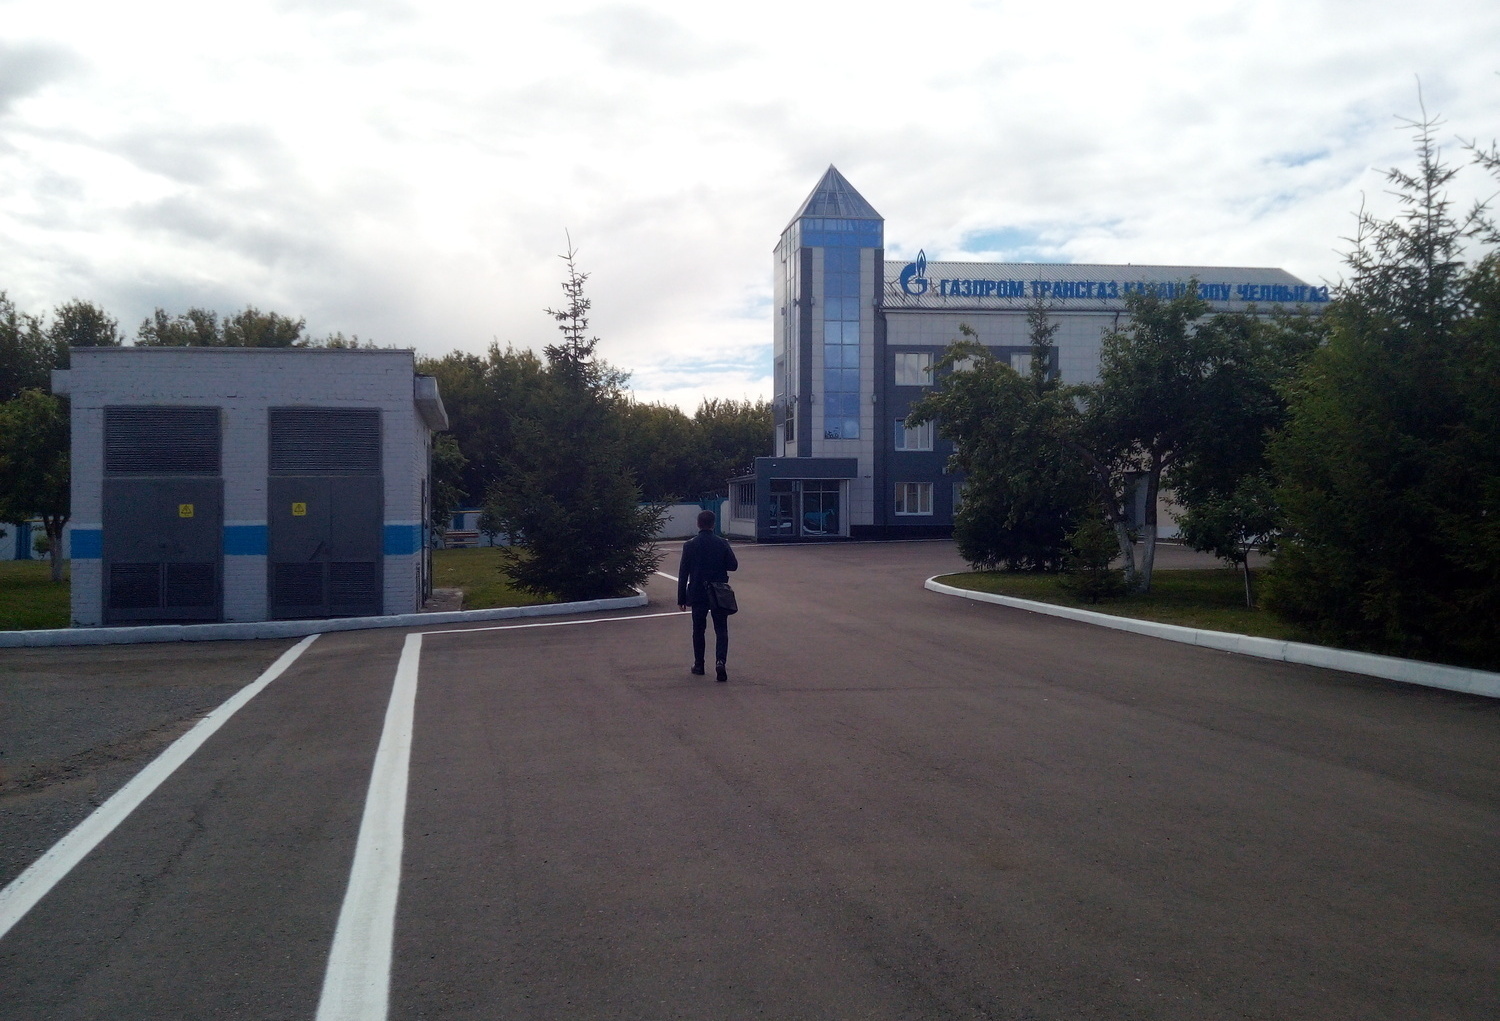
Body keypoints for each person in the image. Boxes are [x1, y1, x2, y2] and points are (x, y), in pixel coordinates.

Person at [677, 509, 738, 681]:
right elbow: (733, 565)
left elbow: (683, 573)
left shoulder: (689, 545)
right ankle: (720, 661)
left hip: (697, 592)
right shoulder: (722, 543)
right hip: (718, 592)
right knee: (721, 629)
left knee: (698, 629)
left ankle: (699, 665)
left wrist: (681, 598)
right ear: (713, 524)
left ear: (698, 524)